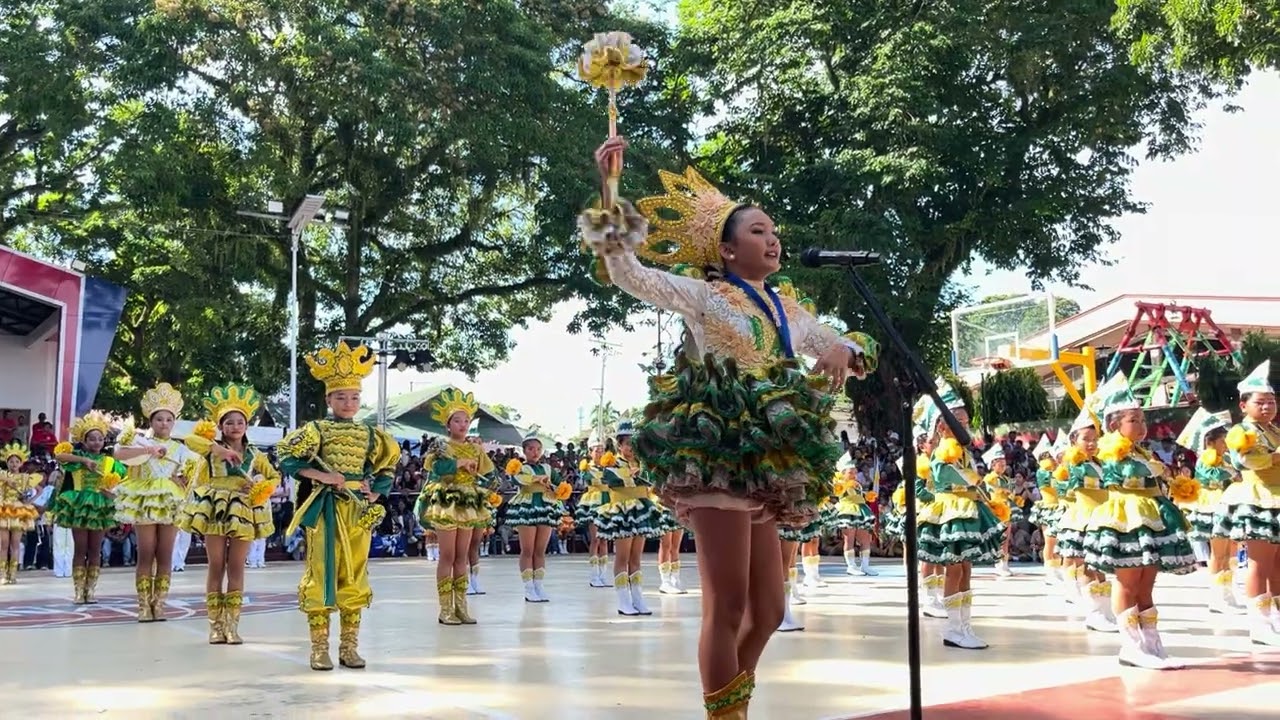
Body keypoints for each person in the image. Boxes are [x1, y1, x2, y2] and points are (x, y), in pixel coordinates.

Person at [580, 136, 868, 717]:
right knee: (728, 605)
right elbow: (627, 271)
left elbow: (842, 344)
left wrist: (848, 347)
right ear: (728, 250)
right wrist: (610, 188)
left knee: (768, 609)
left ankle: (732, 701)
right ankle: (727, 714)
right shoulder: (704, 296)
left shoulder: (787, 307)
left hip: (773, 458)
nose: (773, 238)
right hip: (718, 451)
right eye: (758, 230)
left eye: (773, 230)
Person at [279, 341, 398, 670]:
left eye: (354, 397)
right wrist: (320, 474)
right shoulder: (316, 430)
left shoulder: (371, 434)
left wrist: (375, 494)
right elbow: (288, 459)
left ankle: (349, 646)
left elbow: (386, 466)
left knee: (355, 570)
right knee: (322, 569)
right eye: (341, 397)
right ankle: (319, 647)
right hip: (325, 509)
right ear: (328, 399)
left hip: (357, 510)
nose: (348, 403)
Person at [1082, 375, 1196, 668]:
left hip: (1150, 514)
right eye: (1134, 420)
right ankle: (1131, 647)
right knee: (1128, 580)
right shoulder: (1110, 451)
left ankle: (1152, 644)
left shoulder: (1142, 451)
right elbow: (1126, 474)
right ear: (1113, 425)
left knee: (1147, 584)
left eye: (1143, 420)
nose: (1142, 426)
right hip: (1126, 516)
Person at [178, 384, 279, 646]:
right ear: (221, 426)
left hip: (244, 510)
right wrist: (219, 450)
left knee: (236, 567)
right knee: (216, 565)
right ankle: (215, 626)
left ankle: (233, 625)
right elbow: (190, 440)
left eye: (240, 422)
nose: (235, 426)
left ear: (247, 426)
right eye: (229, 422)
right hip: (216, 509)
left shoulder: (255, 453)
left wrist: (260, 484)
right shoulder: (210, 448)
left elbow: (273, 477)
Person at [914, 379, 1004, 650]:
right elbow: (944, 478)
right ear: (941, 425)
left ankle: (964, 626)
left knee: (965, 570)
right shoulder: (942, 452)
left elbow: (974, 481)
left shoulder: (963, 453)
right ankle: (953, 628)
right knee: (954, 570)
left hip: (967, 510)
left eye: (966, 422)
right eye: (958, 421)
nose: (964, 426)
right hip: (951, 512)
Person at [111, 383, 200, 622]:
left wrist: (183, 479)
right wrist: (149, 449)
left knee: (165, 553)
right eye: (159, 419)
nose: (164, 423)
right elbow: (118, 453)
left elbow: (195, 472)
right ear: (151, 421)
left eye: (168, 419)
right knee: (146, 552)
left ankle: (159, 603)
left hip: (171, 501)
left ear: (174, 422)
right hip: (145, 501)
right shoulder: (139, 443)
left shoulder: (180, 449)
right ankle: (143, 605)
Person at [413, 389, 495, 626]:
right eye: (457, 420)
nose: (463, 424)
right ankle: (445, 609)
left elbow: (491, 475)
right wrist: (458, 463)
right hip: (448, 501)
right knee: (447, 556)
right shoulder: (441, 445)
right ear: (448, 424)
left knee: (462, 556)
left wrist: (490, 485)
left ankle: (461, 606)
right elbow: (436, 470)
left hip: (469, 502)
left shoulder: (475, 448)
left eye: (466, 420)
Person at [1214, 360, 1280, 646]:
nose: (1267, 407)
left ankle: (1275, 617)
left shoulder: (1273, 430)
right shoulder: (1243, 431)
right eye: (1261, 402)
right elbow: (1244, 460)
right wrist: (1276, 457)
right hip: (1259, 498)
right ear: (1244, 405)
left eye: (1271, 401)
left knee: (1277, 564)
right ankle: (1259, 625)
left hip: (1276, 496)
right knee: (1259, 564)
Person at [1054, 400, 1119, 633]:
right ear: (1074, 441)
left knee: (1099, 566)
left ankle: (1104, 610)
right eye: (1085, 439)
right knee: (1088, 565)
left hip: (1102, 516)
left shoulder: (1100, 462)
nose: (1091, 443)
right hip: (1084, 517)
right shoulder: (1075, 464)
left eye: (1094, 439)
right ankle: (1094, 612)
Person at [1173, 408, 1240, 616]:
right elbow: (1213, 475)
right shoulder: (1206, 459)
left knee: (1230, 551)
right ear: (1211, 441)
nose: (1226, 444)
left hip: (1226, 501)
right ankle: (1218, 595)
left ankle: (1227, 592)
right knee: (1219, 552)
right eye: (1223, 441)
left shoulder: (1224, 459)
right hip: (1213, 503)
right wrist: (1232, 472)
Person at [51, 411, 124, 603]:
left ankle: (90, 591)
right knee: (80, 549)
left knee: (95, 549)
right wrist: (84, 461)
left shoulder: (109, 462)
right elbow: (59, 455)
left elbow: (120, 480)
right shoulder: (77, 459)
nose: (96, 442)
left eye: (100, 439)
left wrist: (111, 492)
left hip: (100, 506)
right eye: (92, 439)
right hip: (80, 505)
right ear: (84, 441)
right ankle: (78, 591)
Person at [594, 421, 663, 616]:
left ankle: (638, 597)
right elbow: (610, 480)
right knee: (622, 557)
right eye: (627, 444)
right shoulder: (612, 463)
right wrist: (629, 475)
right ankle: (623, 599)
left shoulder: (642, 463)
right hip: (623, 511)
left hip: (640, 509)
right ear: (619, 445)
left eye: (634, 444)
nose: (631, 448)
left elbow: (652, 480)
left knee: (636, 557)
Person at [505, 432, 567, 603]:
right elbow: (517, 480)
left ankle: (539, 585)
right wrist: (535, 479)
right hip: (527, 507)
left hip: (545, 506)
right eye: (531, 449)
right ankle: (528, 588)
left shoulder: (548, 468)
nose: (535, 452)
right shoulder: (519, 467)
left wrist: (555, 488)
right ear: (524, 450)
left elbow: (560, 483)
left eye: (538, 449)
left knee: (540, 550)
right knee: (528, 549)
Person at [575, 435, 612, 587]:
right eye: (597, 450)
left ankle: (603, 574)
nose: (600, 453)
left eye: (602, 450)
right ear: (590, 452)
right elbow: (589, 479)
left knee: (605, 540)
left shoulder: (609, 467)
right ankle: (594, 575)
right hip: (594, 501)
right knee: (595, 539)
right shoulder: (586, 467)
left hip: (607, 500)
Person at [0, 442, 40, 583]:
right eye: (11, 461)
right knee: (3, 543)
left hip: (18, 510)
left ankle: (13, 574)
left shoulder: (25, 478)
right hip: (4, 510)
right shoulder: (2, 475)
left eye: (17, 461)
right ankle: (4, 574)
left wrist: (29, 500)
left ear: (21, 463)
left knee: (15, 543)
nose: (14, 464)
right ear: (7, 462)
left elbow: (40, 490)